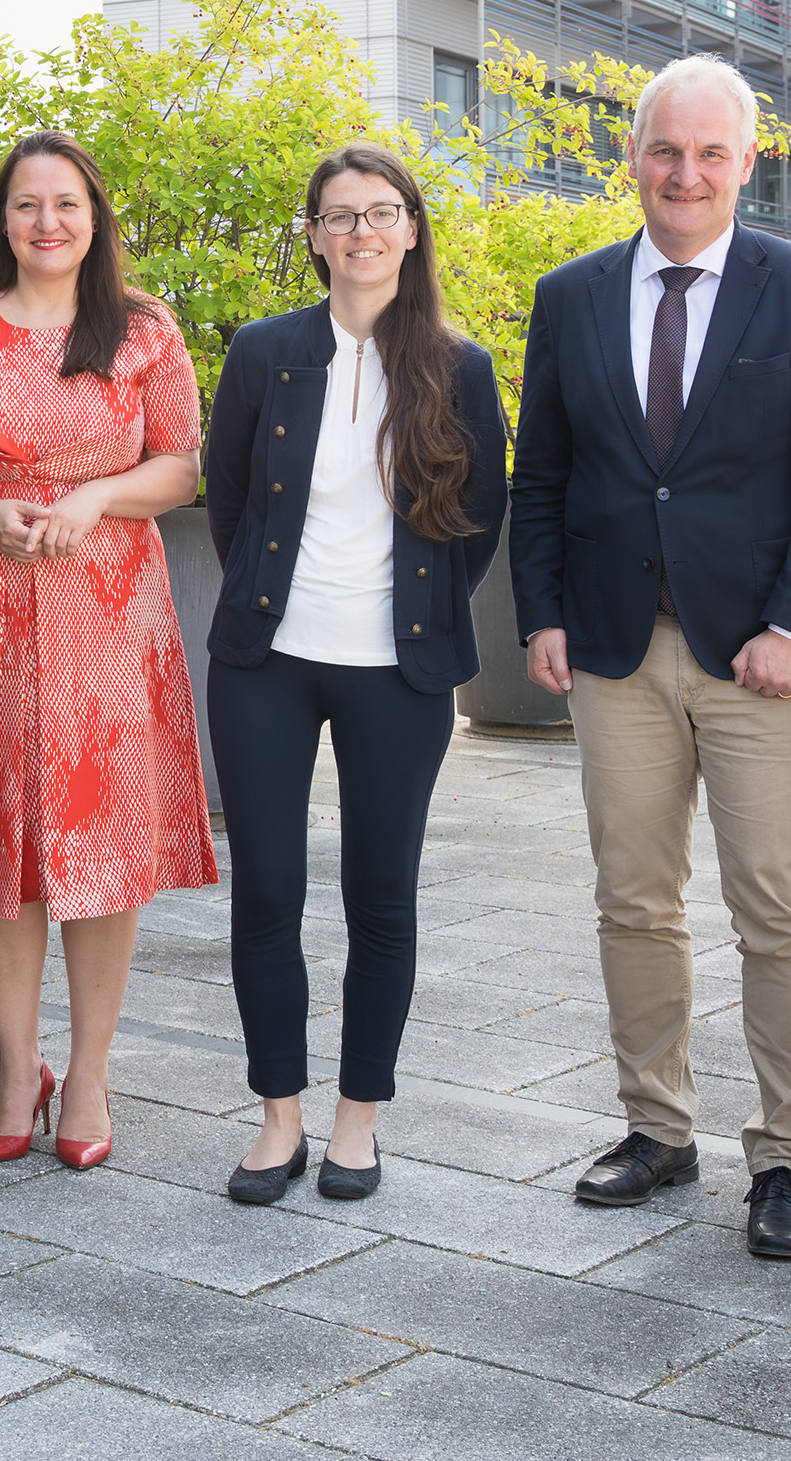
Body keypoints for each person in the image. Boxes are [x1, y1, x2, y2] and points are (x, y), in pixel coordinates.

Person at [512, 55, 791, 1259]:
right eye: (665, 150)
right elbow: (546, 474)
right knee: (633, 898)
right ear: (632, 157)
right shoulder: (570, 295)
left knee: (779, 907)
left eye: (710, 153)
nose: (685, 172)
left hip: (758, 657)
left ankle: (788, 1158)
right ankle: (655, 1128)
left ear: (746, 160)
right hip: (617, 653)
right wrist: (541, 611)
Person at [0, 132, 210, 1168]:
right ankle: (13, 1064)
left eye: (65, 203)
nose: (46, 222)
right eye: (26, 205)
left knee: (100, 839)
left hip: (107, 605)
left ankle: (92, 1073)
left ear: (94, 214)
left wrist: (95, 495)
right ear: (3, 219)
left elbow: (178, 468)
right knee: (5, 842)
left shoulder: (143, 328)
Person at [204, 144, 508, 1205]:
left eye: (381, 213)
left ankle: (356, 1120)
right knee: (268, 889)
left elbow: (478, 520)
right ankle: (277, 1114)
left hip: (397, 669)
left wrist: (410, 612)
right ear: (314, 235)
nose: (361, 233)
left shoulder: (459, 368)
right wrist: (275, 597)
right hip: (267, 661)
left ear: (411, 229)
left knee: (380, 894)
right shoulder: (263, 351)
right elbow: (230, 498)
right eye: (339, 216)